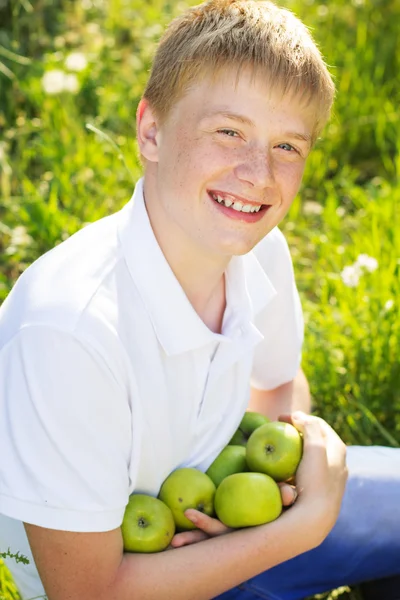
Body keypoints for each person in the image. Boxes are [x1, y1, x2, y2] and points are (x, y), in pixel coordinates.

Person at [0, 1, 399, 599]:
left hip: (231, 520)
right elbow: (86, 592)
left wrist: (283, 485)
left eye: (288, 146)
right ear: (151, 132)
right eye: (229, 132)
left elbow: (275, 392)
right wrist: (302, 526)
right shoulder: (69, 331)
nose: (258, 174)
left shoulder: (258, 250)